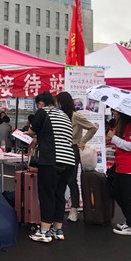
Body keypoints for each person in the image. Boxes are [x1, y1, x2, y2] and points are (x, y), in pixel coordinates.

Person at [27, 91, 75, 243]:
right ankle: (57, 230)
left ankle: (44, 231)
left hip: (51, 159)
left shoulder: (43, 112)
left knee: (47, 194)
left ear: (41, 103)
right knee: (59, 194)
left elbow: (32, 131)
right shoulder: (64, 115)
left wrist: (23, 132)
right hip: (68, 160)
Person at [56, 91, 97, 223]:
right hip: (60, 148)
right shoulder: (59, 116)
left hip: (73, 149)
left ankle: (74, 209)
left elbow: (92, 128)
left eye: (58, 102)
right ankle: (61, 208)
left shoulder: (75, 116)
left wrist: (82, 141)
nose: (57, 105)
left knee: (71, 179)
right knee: (60, 179)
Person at [107, 110, 131, 235]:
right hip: (124, 167)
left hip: (130, 168)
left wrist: (114, 138)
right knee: (118, 193)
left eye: (115, 111)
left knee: (127, 197)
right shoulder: (127, 126)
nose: (114, 113)